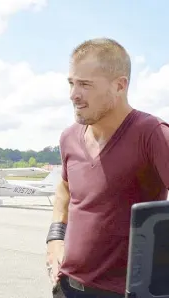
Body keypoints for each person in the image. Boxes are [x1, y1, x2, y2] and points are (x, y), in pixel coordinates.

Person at [45, 38, 169, 298]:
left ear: (119, 86)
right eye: (72, 83)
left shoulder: (152, 133)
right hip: (67, 288)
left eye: (85, 85)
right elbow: (65, 190)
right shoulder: (69, 137)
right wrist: (55, 238)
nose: (73, 95)